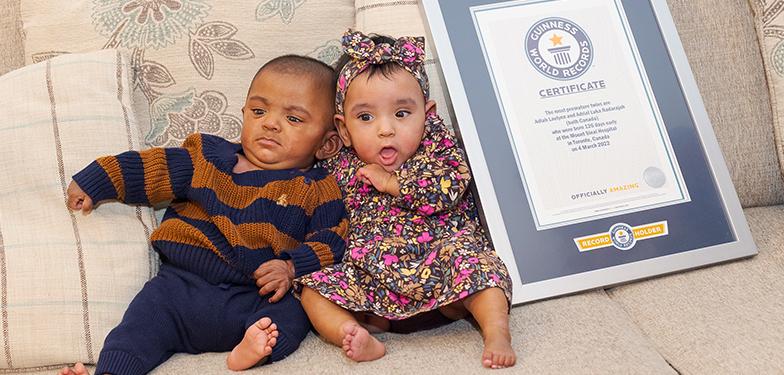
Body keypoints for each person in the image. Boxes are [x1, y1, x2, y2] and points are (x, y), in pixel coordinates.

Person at [58, 55, 347, 375]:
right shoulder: (206, 158)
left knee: (295, 313)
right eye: (259, 111)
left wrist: (292, 267)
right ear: (244, 112)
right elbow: (151, 169)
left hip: (255, 297)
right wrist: (98, 179)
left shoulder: (318, 188)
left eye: (293, 119)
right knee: (136, 328)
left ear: (327, 144)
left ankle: (254, 351)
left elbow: (332, 240)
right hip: (178, 290)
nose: (270, 123)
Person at [296, 30, 516, 369]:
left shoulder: (438, 152)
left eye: (401, 114)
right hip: (373, 276)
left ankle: (496, 329)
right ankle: (354, 333)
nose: (386, 129)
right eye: (366, 117)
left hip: (443, 267)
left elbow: (447, 188)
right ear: (343, 128)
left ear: (427, 116)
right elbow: (309, 188)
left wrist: (394, 183)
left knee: (482, 269)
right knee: (312, 291)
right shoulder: (341, 162)